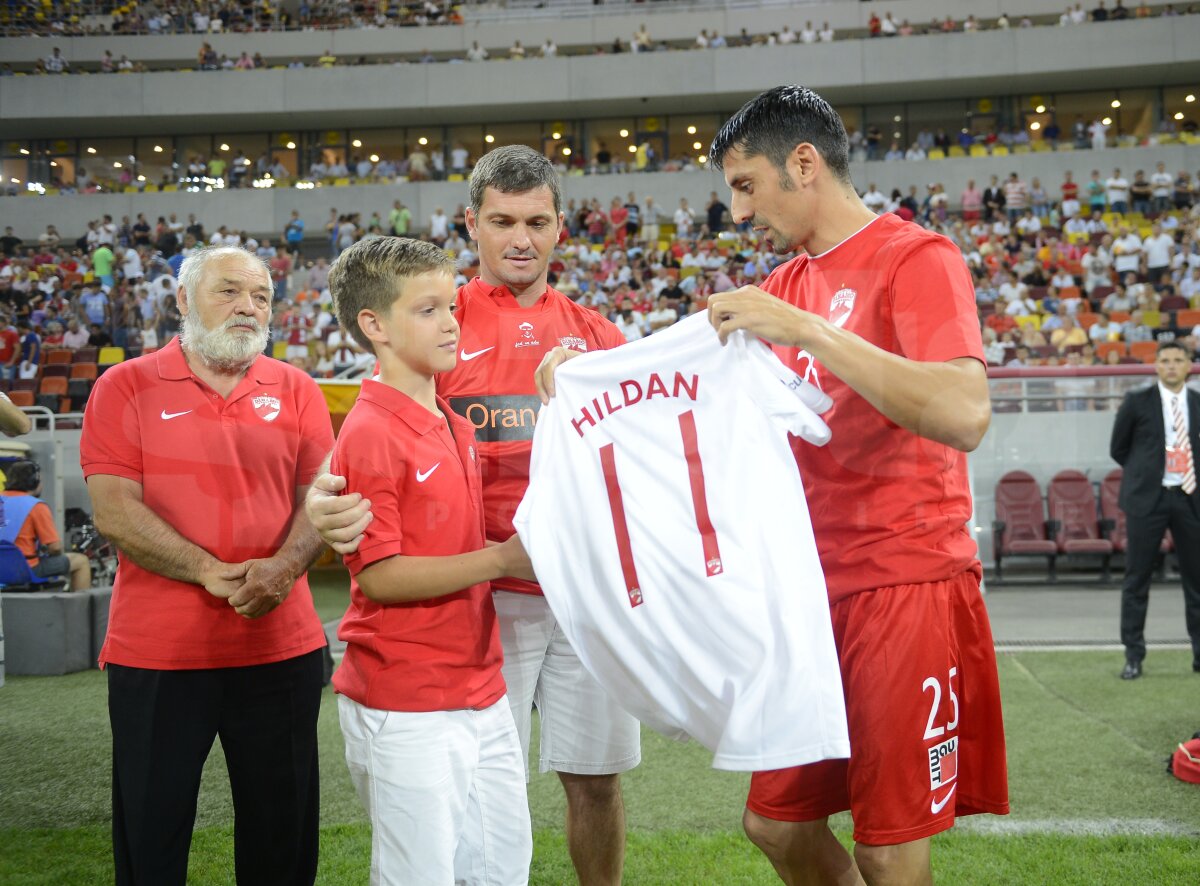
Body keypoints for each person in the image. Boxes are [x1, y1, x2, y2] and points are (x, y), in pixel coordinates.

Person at [539, 85, 1010, 885]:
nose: (738, 209)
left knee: (889, 846)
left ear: (803, 163)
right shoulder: (784, 286)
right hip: (800, 593)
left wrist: (809, 332)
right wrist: (582, 374)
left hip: (902, 579)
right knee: (776, 824)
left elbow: (965, 413)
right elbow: (678, 386)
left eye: (747, 184)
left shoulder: (916, 258)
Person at [306, 146, 640, 885]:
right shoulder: (438, 322)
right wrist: (319, 499)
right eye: (502, 221)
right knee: (486, 786)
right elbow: (370, 437)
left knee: (595, 777)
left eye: (537, 221)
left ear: (561, 228)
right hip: (480, 600)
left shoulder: (597, 336)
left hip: (582, 597)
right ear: (472, 224)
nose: (521, 238)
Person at [79, 247, 332, 886]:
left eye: (261, 296)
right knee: (151, 837)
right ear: (183, 300)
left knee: (283, 841)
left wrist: (282, 567)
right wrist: (202, 568)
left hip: (281, 647)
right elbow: (113, 510)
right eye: (229, 292)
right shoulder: (125, 386)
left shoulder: (298, 388)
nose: (248, 307)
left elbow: (320, 501)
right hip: (159, 654)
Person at [325, 237, 534, 883]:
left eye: (451, 306)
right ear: (374, 326)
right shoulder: (369, 432)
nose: (451, 322)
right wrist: (501, 560)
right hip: (406, 697)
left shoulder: (451, 419)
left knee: (501, 869)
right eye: (428, 309)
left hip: (480, 686)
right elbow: (382, 577)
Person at [1110, 340, 1200, 680]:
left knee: (1196, 580)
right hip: (1147, 499)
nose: (1172, 365)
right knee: (1137, 579)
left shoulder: (1197, 403)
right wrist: (1145, 473)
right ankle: (1133, 655)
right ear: (1156, 366)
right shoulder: (1137, 402)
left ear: (1189, 365)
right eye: (1165, 360)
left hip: (1190, 498)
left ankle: (1199, 655)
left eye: (1179, 360)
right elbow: (1118, 448)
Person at [0, 460, 91, 590]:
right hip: (25, 570)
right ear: (34, 481)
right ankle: (79, 608)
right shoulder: (36, 506)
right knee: (81, 561)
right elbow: (55, 547)